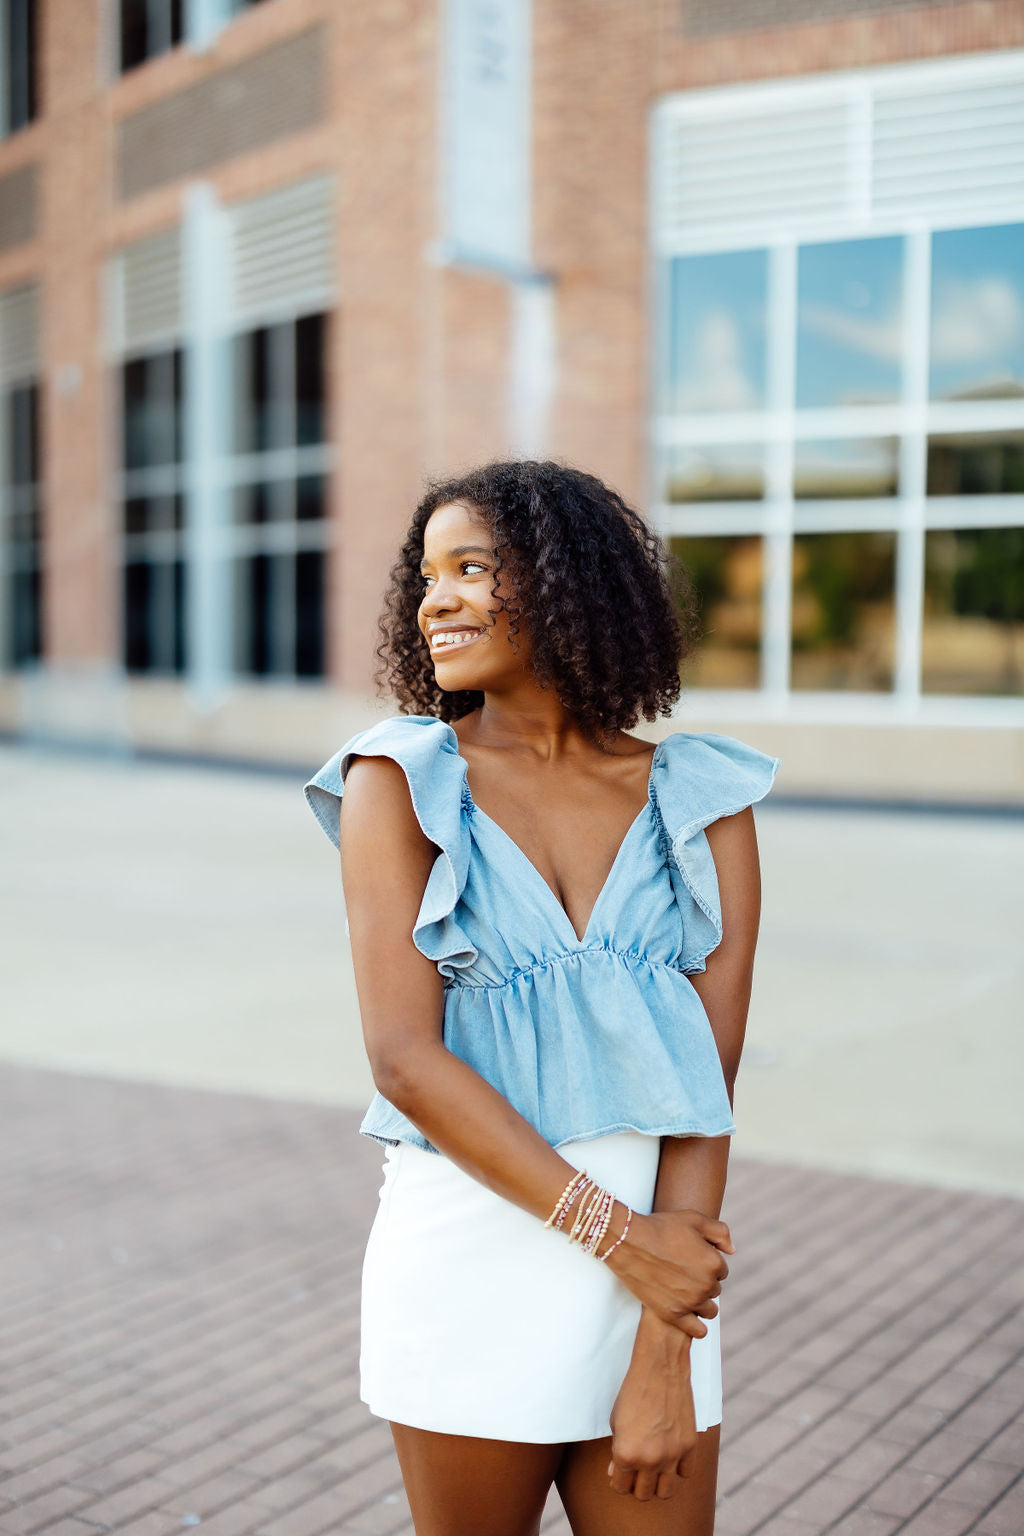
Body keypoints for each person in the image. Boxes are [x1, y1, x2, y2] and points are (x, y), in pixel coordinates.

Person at [303, 459, 779, 1535]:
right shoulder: (399, 781)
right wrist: (620, 1240)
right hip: (473, 1260)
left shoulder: (701, 800)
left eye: (473, 567)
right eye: (427, 575)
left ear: (571, 583)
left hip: (653, 1281)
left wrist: (665, 1334)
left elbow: (708, 1084)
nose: (437, 598)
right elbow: (404, 1062)